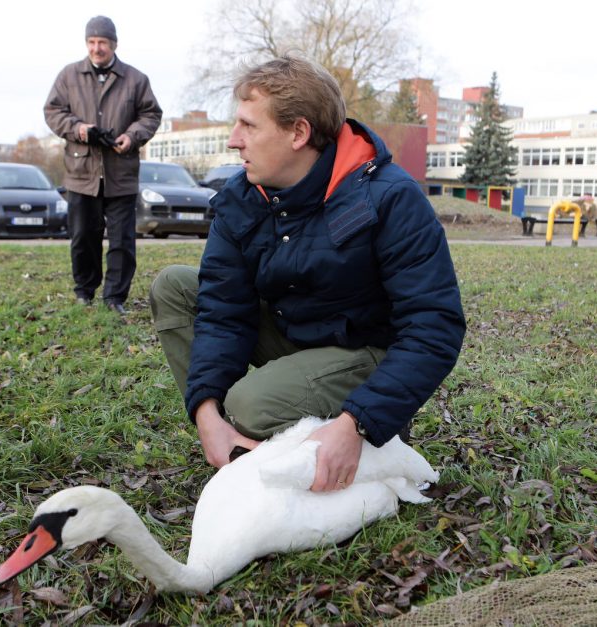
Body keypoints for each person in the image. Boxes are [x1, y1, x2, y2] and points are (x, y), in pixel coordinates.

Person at [150, 56, 466, 492]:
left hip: (366, 353)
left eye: (248, 126)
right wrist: (206, 413)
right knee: (175, 287)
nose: (234, 141)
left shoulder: (390, 197)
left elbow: (434, 327)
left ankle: (359, 437)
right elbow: (224, 311)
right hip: (294, 338)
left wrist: (358, 422)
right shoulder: (242, 198)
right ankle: (233, 440)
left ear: (298, 132)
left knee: (250, 403)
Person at [44, 15, 162, 314]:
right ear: (87, 43)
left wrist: (131, 136)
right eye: (92, 42)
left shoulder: (136, 79)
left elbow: (151, 115)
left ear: (114, 44)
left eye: (103, 43)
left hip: (120, 172)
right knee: (83, 236)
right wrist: (78, 129)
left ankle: (114, 298)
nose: (97, 48)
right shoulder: (68, 76)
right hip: (80, 173)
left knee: (122, 240)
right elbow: (53, 111)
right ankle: (84, 291)